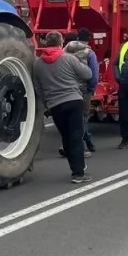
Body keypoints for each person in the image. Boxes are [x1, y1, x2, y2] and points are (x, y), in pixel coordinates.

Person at [32, 30, 93, 184]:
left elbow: (38, 87)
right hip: (73, 100)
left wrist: (47, 102)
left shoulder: (38, 64)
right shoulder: (68, 58)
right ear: (61, 43)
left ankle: (75, 167)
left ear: (46, 43)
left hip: (55, 104)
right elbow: (87, 74)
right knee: (76, 136)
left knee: (66, 136)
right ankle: (79, 173)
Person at [78, 27, 99, 155]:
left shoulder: (66, 51)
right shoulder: (89, 53)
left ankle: (86, 141)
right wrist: (91, 88)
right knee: (83, 117)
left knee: (73, 117)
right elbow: (94, 75)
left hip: (69, 89)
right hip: (84, 89)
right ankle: (85, 142)